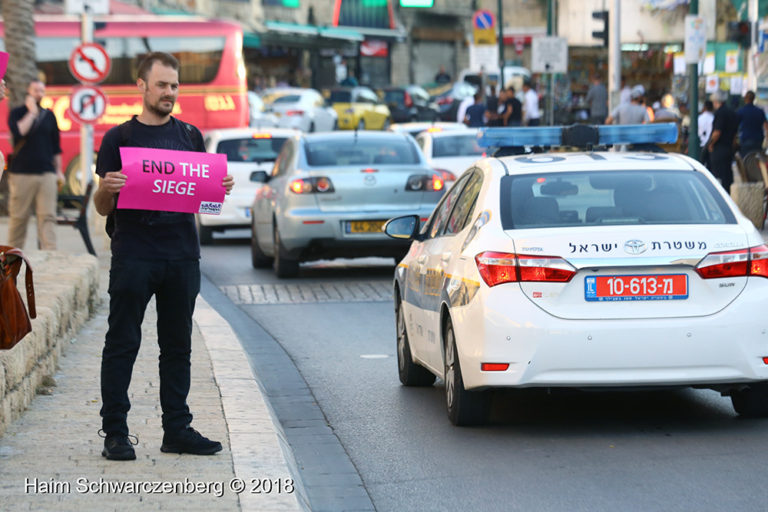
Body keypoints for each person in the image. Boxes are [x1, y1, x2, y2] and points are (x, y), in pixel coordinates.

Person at [93, 52, 234, 461]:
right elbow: (103, 207)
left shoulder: (190, 136)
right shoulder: (118, 139)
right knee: (122, 343)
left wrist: (217, 190)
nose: (169, 92)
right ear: (142, 86)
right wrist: (107, 188)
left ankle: (177, 429)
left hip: (181, 256)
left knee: (178, 346)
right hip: (134, 254)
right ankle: (115, 433)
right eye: (161, 85)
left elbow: (205, 207)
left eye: (174, 85)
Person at [5, 78, 64, 250]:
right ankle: (10, 259)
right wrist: (31, 113)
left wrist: (59, 171)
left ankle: (50, 255)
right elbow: (20, 132)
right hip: (21, 174)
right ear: (28, 92)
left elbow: (56, 147)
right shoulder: (17, 113)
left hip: (46, 173)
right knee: (19, 218)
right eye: (36, 90)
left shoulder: (50, 115)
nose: (39, 94)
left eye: (41, 91)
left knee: (48, 217)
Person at [708, 89, 739, 194]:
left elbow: (717, 132)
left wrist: (711, 144)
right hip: (729, 147)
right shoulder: (732, 112)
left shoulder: (720, 113)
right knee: (727, 175)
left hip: (719, 148)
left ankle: (720, 195)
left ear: (716, 101)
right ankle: (728, 194)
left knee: (718, 175)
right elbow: (735, 134)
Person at [736, 90, 768, 157]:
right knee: (756, 160)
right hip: (758, 140)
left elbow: (735, 126)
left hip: (745, 139)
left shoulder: (741, 111)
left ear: (745, 99)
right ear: (754, 99)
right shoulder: (760, 111)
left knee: (746, 160)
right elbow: (766, 126)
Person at [698, 100, 715, 167]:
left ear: (704, 108)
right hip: (711, 144)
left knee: (701, 165)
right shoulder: (713, 118)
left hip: (701, 144)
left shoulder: (699, 118)